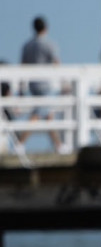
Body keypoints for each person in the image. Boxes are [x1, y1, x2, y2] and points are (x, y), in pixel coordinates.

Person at [19, 16, 66, 153]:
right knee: (38, 115)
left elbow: (22, 67)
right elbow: (57, 62)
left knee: (48, 115)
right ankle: (20, 142)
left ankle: (58, 145)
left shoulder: (27, 46)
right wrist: (64, 82)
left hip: (33, 85)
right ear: (46, 27)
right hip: (45, 85)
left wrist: (22, 88)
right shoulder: (48, 44)